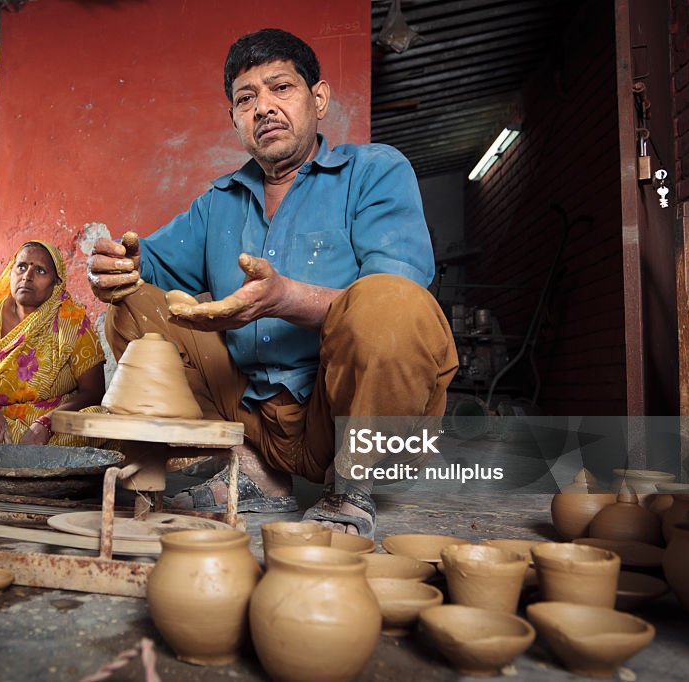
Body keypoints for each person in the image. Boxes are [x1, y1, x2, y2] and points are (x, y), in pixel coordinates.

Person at [87, 29, 458, 537]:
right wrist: (119, 265)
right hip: (251, 417)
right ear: (234, 118)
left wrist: (284, 298)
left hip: (343, 410)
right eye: (246, 98)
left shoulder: (374, 172)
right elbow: (147, 262)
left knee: (392, 303)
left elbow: (399, 295)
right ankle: (252, 471)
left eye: (280, 88)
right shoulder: (220, 201)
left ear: (319, 98)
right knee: (133, 306)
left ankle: (352, 489)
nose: (263, 107)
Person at [0, 240, 106, 446]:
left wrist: (46, 424)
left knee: (97, 420)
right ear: (11, 273)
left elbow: (93, 392)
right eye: (21, 267)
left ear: (56, 284)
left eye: (40, 270)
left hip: (49, 428)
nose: (27, 276)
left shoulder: (71, 322)